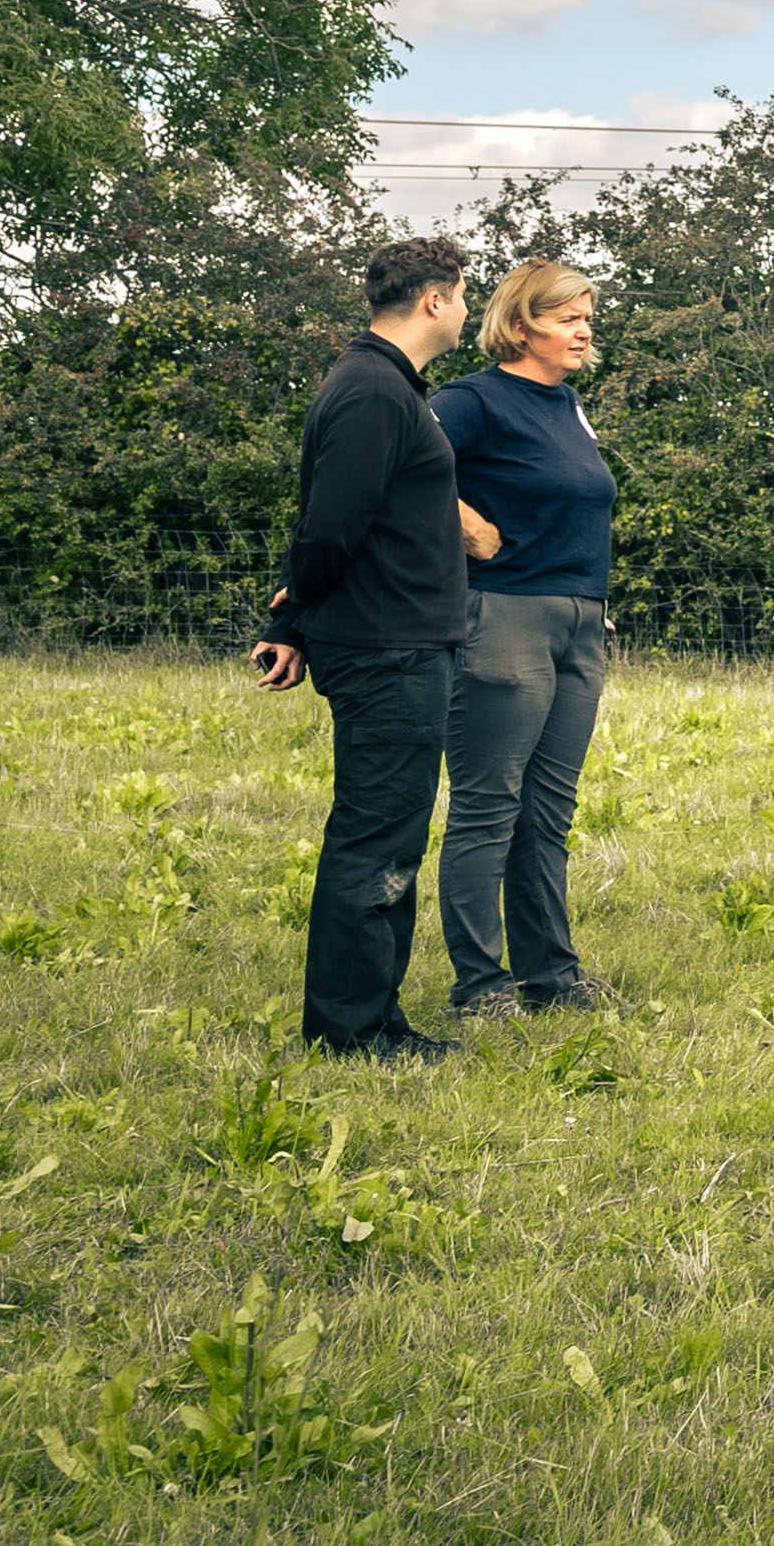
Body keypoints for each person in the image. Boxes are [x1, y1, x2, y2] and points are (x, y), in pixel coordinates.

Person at [253, 237, 480, 1062]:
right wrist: (299, 614)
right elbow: (329, 526)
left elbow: (326, 517)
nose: (466, 310)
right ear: (432, 299)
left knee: (391, 830)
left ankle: (375, 1017)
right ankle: (350, 1031)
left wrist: (292, 622)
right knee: (376, 836)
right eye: (461, 295)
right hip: (387, 647)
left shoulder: (383, 386)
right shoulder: (374, 391)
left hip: (398, 641)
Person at [435, 258, 618, 1021]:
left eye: (586, 317)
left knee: (548, 811)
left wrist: (584, 595)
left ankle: (552, 975)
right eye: (566, 317)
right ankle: (481, 987)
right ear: (518, 324)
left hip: (579, 621)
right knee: (488, 806)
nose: (583, 330)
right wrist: (467, 525)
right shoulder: (470, 400)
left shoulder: (569, 403)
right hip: (501, 617)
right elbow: (398, 471)